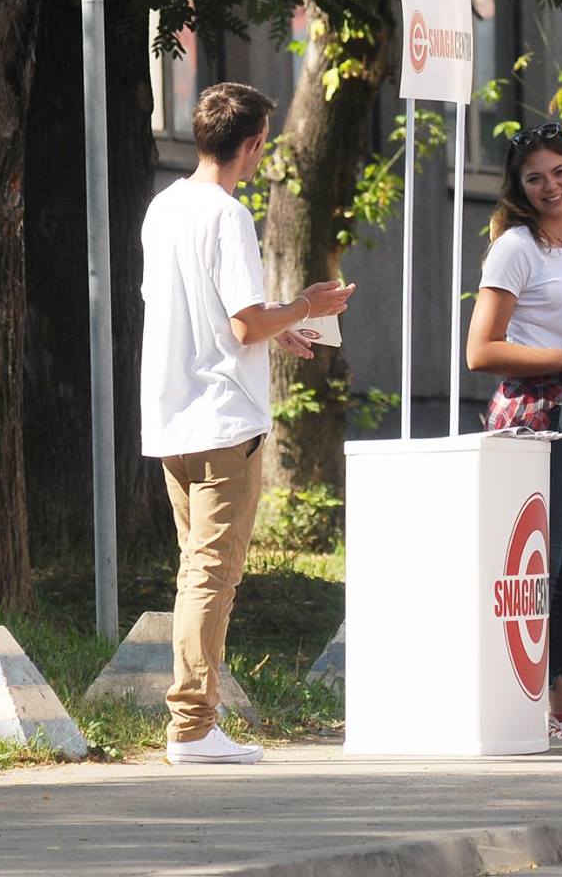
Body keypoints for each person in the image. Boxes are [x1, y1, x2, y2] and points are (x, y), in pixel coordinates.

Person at [140, 82, 354, 766]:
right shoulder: (228, 215)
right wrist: (304, 306)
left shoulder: (164, 206)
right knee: (212, 576)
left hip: (173, 416)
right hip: (224, 420)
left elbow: (208, 313)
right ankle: (192, 726)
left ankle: (194, 722)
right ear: (255, 143)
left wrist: (276, 326)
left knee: (195, 571)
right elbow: (242, 323)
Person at [468, 122, 562, 743]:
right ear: (518, 188)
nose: (551, 186)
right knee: (537, 573)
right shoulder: (515, 248)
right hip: (535, 420)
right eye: (535, 178)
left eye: (559, 172)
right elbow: (481, 350)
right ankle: (523, 707)